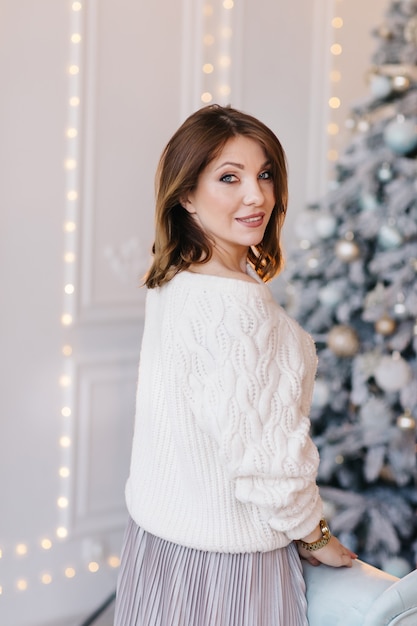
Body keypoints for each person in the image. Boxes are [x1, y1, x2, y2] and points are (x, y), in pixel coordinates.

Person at [114, 104, 357, 626]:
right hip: (229, 569)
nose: (258, 196)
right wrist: (315, 534)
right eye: (230, 177)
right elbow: (267, 456)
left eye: (265, 174)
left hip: (159, 549)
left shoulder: (177, 279)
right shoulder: (236, 306)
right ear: (186, 195)